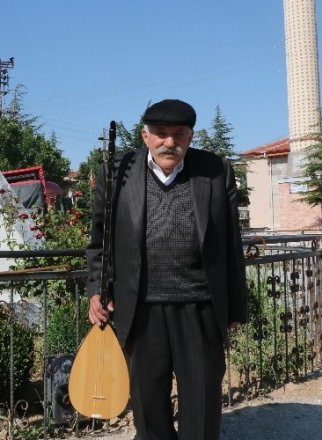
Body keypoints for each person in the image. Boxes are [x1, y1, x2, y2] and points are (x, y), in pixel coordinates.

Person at [85, 99, 247, 440]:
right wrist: (96, 291)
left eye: (178, 134)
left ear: (190, 136)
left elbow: (232, 245)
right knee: (148, 406)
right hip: (140, 307)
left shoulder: (216, 171)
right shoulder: (118, 172)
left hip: (200, 306)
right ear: (145, 136)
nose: (168, 142)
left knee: (202, 403)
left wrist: (235, 306)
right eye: (160, 134)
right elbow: (99, 241)